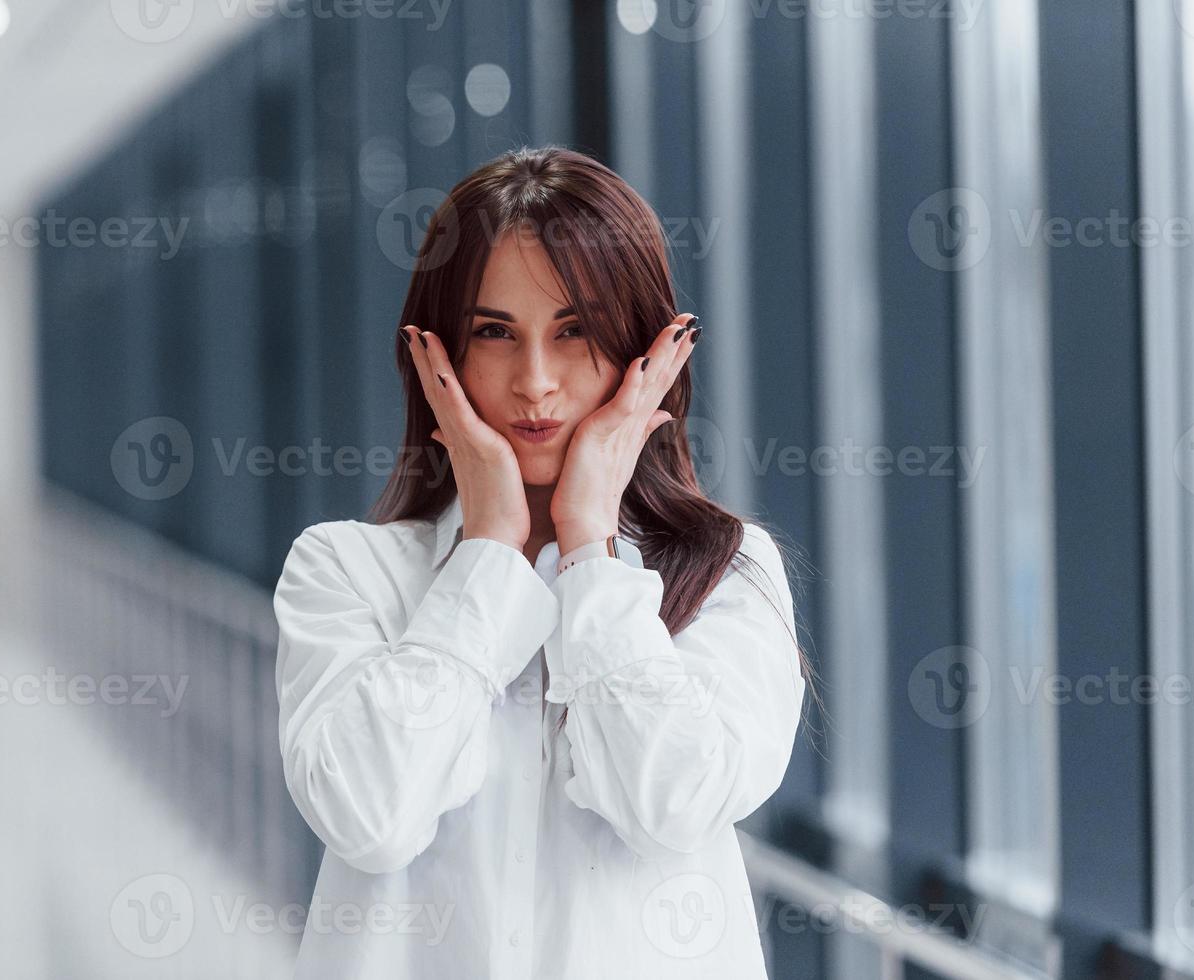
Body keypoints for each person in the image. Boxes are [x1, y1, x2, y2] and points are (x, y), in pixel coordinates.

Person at [273, 145, 813, 979]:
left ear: (648, 352)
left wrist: (591, 544)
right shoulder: (345, 572)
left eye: (577, 332)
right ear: (435, 355)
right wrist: (487, 550)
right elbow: (369, 816)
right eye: (494, 332)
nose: (535, 383)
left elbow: (672, 805)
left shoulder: (727, 575)